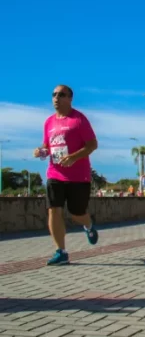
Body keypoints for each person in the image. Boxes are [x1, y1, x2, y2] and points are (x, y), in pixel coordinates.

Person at [34, 85, 99, 266]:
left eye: (61, 95)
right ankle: (61, 251)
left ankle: (88, 225)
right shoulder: (49, 122)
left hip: (78, 176)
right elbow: (48, 146)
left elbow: (92, 144)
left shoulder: (79, 119)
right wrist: (41, 151)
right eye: (54, 94)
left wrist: (74, 157)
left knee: (77, 213)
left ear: (70, 98)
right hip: (55, 173)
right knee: (54, 209)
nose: (56, 98)